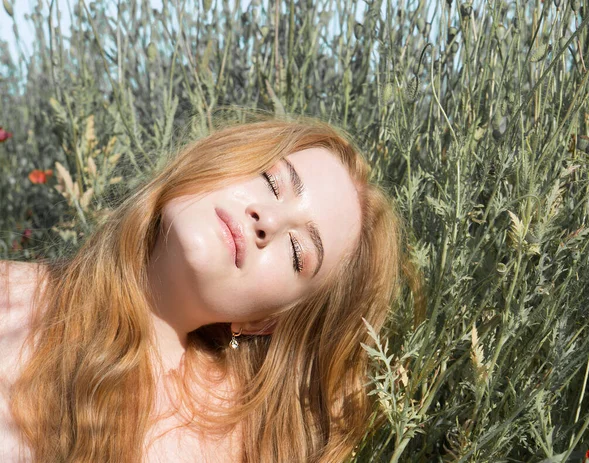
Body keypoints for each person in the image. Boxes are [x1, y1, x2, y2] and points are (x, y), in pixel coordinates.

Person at [0, 112, 426, 462]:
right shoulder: (9, 294)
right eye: (273, 182)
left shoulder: (231, 448)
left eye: (298, 253)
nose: (269, 220)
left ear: (264, 322)